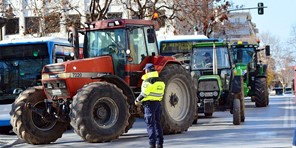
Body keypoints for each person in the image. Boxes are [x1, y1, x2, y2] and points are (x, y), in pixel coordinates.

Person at [135, 63, 166, 148]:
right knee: (157, 123)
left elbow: (144, 93)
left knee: (150, 124)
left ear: (147, 70)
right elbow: (161, 93)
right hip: (157, 104)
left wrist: (137, 100)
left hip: (149, 105)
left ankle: (152, 144)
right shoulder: (160, 81)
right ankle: (160, 143)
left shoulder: (147, 81)